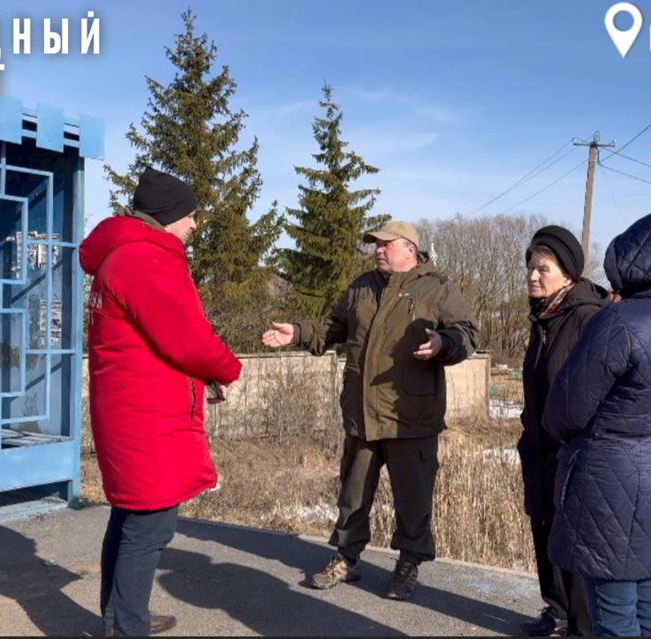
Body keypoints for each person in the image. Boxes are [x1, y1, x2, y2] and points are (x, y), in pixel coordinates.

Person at [261, 220, 478, 601]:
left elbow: (468, 334)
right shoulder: (361, 286)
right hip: (362, 414)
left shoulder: (438, 288)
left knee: (413, 498)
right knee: (353, 493)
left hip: (410, 416)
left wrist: (444, 343)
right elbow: (334, 329)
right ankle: (346, 557)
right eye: (374, 244)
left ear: (409, 248)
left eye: (385, 244)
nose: (377, 250)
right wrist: (296, 333)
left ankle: (408, 565)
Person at [80, 168, 242, 636]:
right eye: (190, 215)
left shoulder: (123, 255)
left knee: (130, 514)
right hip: (146, 416)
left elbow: (159, 340)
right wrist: (228, 369)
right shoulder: (143, 261)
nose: (194, 224)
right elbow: (186, 337)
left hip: (135, 407)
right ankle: (127, 628)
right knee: (149, 524)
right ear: (169, 216)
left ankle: (121, 617)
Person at [543, 208, 651, 637]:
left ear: (636, 257)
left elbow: (564, 412)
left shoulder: (617, 322)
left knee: (614, 614)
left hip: (611, 483)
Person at [518, 226, 611, 637]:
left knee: (572, 540)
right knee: (543, 528)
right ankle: (554, 611)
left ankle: (581, 626)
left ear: (569, 275)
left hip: (574, 451)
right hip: (539, 446)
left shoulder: (588, 319)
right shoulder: (544, 319)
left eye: (544, 268)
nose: (533, 276)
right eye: (530, 268)